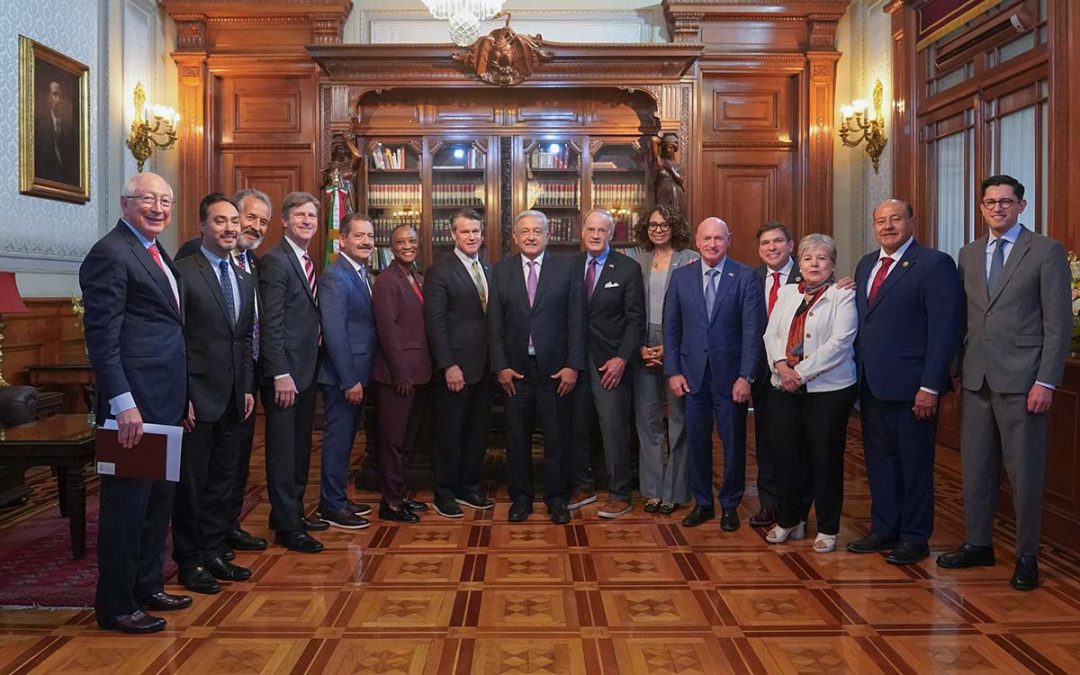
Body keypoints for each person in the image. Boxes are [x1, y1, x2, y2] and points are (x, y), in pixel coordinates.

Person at [938, 175, 1072, 590]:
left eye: (1006, 202)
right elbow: (964, 316)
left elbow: (1059, 323)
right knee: (975, 468)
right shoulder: (969, 253)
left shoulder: (1045, 252)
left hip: (1023, 380)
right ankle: (978, 544)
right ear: (981, 207)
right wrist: (958, 366)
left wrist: (1046, 381)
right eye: (990, 202)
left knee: (1024, 473)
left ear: (1022, 206)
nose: (998, 208)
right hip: (976, 378)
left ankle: (1026, 555)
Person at [80, 172, 189, 633]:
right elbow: (102, 339)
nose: (158, 208)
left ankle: (147, 585)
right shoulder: (110, 253)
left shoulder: (155, 251)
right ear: (125, 203)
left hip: (165, 400)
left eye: (165, 200)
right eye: (148, 199)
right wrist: (122, 403)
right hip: (134, 408)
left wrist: (183, 398)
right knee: (126, 508)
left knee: (156, 504)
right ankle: (116, 605)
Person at [848, 199, 962, 564]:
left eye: (896, 219)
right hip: (871, 384)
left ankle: (915, 537)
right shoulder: (866, 264)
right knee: (879, 461)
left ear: (912, 221)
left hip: (913, 387)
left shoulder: (935, 265)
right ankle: (884, 529)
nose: (888, 226)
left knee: (914, 465)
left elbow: (945, 330)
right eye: (881, 221)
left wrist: (930, 385)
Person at [176, 188, 275, 555]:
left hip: (238, 390)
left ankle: (218, 544)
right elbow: (180, 336)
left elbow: (243, 334)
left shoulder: (247, 270)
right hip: (199, 393)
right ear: (204, 225)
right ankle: (193, 555)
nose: (238, 227)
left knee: (227, 475)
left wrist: (247, 385)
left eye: (240, 221)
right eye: (228, 220)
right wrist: (182, 393)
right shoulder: (186, 266)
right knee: (194, 480)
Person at [663, 217, 765, 531]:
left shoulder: (745, 277)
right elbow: (671, 328)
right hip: (692, 377)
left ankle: (730, 505)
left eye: (718, 238)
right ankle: (703, 503)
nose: (712, 244)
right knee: (696, 442)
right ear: (697, 240)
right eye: (706, 238)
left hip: (731, 377)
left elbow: (752, 331)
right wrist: (673, 371)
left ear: (728, 239)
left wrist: (746, 376)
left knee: (733, 444)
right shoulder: (681, 277)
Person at [762, 234, 857, 553]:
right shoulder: (788, 293)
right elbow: (771, 332)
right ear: (798, 263)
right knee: (788, 458)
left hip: (828, 391)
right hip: (784, 387)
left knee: (825, 458)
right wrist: (781, 366)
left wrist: (799, 373)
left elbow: (840, 344)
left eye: (822, 258)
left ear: (832, 264)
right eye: (807, 258)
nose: (814, 264)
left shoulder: (841, 294)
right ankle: (791, 519)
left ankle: (828, 527)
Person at [489, 210, 586, 524]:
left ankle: (557, 498)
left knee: (557, 438)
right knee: (516, 438)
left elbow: (576, 320)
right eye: (525, 231)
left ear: (548, 235)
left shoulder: (567, 269)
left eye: (537, 231)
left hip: (556, 370)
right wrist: (500, 366)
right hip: (515, 372)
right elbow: (494, 325)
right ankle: (521, 499)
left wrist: (573, 364)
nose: (531, 236)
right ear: (515, 237)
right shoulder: (500, 271)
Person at [259, 191, 326, 552]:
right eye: (300, 215)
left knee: (300, 447)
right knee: (283, 451)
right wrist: (280, 373)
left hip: (306, 369)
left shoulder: (304, 259)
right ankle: (287, 527)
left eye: (312, 217)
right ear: (284, 221)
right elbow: (271, 324)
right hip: (286, 375)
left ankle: (292, 511)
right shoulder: (275, 261)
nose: (307, 222)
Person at [568, 209, 644, 518]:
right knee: (576, 426)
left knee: (614, 429)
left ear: (611, 234)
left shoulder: (627, 268)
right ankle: (583, 485)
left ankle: (620, 492)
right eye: (591, 229)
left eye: (602, 230)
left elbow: (636, 320)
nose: (596, 235)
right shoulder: (569, 267)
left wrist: (622, 358)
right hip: (574, 361)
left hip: (609, 363)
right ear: (582, 233)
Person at [425, 208, 495, 519]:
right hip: (455, 368)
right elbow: (435, 323)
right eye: (465, 232)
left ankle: (468, 486)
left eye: (476, 231)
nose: (471, 237)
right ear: (453, 235)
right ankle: (445, 492)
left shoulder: (488, 270)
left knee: (477, 431)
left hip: (485, 367)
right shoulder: (440, 271)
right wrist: (448, 364)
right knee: (449, 432)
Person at [634, 205, 698, 515]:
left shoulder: (690, 259)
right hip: (643, 345)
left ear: (675, 226)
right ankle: (653, 490)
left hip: (679, 344)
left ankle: (676, 490)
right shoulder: (637, 260)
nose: (658, 229)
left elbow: (696, 313)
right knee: (647, 421)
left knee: (679, 420)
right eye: (652, 224)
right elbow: (629, 309)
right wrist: (640, 346)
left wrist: (671, 348)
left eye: (664, 224)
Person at [317, 213, 379, 529]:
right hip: (344, 377)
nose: (366, 241)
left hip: (358, 374)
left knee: (347, 441)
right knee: (338, 441)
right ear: (342, 240)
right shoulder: (335, 276)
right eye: (359, 236)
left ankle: (338, 496)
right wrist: (349, 379)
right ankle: (331, 506)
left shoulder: (359, 272)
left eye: (370, 236)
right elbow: (334, 331)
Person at [372, 225, 433, 522]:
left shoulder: (417, 278)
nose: (407, 245)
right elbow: (388, 332)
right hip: (398, 377)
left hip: (420, 373)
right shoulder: (386, 281)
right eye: (400, 242)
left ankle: (403, 494)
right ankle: (391, 503)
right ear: (391, 248)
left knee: (408, 442)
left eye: (412, 240)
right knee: (393, 442)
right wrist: (401, 373)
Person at [749, 221, 802, 529]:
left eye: (778, 241)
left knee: (799, 445)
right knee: (767, 443)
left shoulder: (809, 273)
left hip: (801, 375)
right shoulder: (751, 278)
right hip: (762, 373)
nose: (772, 247)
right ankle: (770, 505)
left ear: (791, 245)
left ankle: (796, 509)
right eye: (765, 243)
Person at [35, 79, 78, 185]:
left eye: (61, 96)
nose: (59, 100)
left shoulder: (70, 130)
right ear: (48, 98)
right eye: (55, 95)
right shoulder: (39, 125)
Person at [651, 133, 685, 217]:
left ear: (675, 148)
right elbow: (653, 140)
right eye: (666, 147)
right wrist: (661, 141)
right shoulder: (660, 162)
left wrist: (670, 168)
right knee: (663, 217)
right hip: (662, 196)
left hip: (676, 195)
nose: (668, 150)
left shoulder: (679, 166)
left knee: (676, 219)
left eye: (671, 147)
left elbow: (680, 180)